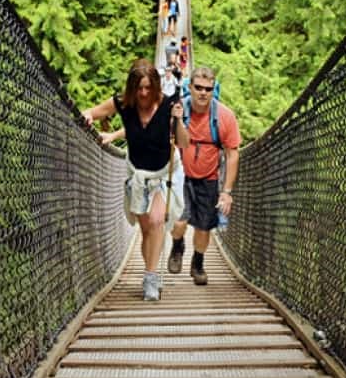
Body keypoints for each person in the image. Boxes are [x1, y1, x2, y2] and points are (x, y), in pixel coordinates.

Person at [83, 59, 189, 300]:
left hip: (163, 172)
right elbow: (93, 111)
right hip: (137, 175)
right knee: (146, 231)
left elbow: (183, 143)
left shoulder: (169, 104)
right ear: (132, 88)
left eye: (148, 87)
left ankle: (150, 278)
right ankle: (150, 270)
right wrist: (88, 116)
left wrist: (179, 120)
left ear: (155, 86)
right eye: (139, 88)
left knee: (156, 221)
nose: (143, 93)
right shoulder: (124, 104)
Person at [167, 66, 240, 285]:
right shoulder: (178, 110)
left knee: (203, 228)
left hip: (208, 178)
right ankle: (177, 245)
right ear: (190, 88)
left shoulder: (224, 116)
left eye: (208, 89)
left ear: (213, 90)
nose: (203, 93)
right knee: (179, 222)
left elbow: (232, 154)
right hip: (181, 175)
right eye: (198, 87)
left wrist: (226, 192)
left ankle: (197, 262)